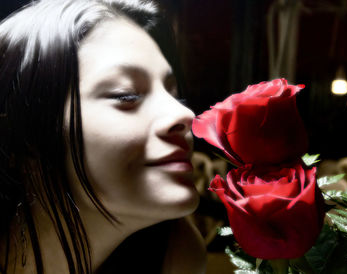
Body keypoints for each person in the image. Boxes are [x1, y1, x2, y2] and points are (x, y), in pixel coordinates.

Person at [0, 0, 206, 273]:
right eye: (126, 95)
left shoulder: (175, 253)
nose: (185, 114)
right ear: (23, 134)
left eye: (173, 94)